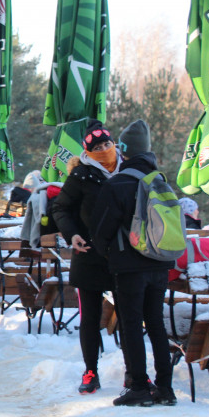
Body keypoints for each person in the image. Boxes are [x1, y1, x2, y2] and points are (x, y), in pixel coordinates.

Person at [92, 119, 177, 407]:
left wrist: (108, 253)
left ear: (124, 150)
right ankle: (165, 388)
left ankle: (139, 386)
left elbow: (100, 230)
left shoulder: (119, 183)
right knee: (155, 324)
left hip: (129, 267)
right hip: (160, 264)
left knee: (131, 324)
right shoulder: (160, 180)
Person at [50, 121, 121, 394]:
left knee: (126, 315)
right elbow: (60, 208)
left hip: (122, 255)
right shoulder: (81, 175)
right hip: (88, 253)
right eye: (97, 147)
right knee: (90, 318)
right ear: (88, 150)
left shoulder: (127, 170)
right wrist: (72, 236)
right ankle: (91, 371)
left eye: (107, 145)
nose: (104, 150)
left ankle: (133, 372)